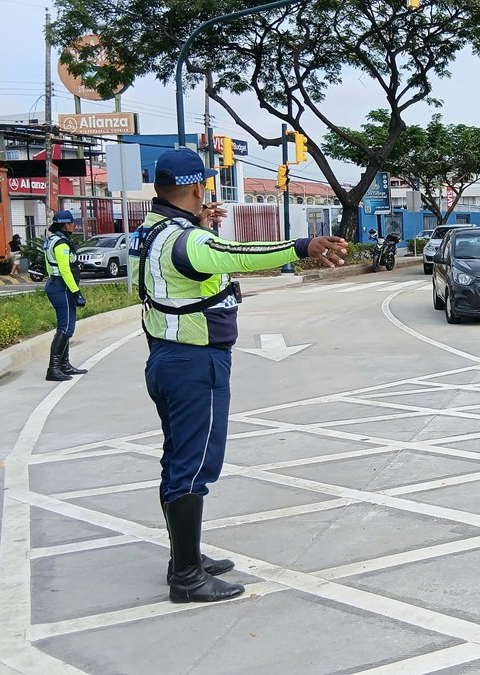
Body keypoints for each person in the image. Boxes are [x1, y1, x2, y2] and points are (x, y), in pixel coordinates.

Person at [133, 148, 346, 604]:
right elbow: (237, 255)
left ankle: (184, 557)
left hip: (166, 358)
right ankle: (187, 577)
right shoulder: (188, 241)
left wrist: (198, 223)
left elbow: (183, 267)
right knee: (194, 467)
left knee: (177, 461)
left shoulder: (149, 231)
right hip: (196, 362)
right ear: (196, 187)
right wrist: (303, 246)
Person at [43, 211, 87, 381]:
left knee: (65, 326)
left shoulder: (52, 240)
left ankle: (64, 365)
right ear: (66, 225)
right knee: (66, 327)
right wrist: (76, 292)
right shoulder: (61, 244)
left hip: (56, 284)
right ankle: (53, 368)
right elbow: (64, 270)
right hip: (61, 287)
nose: (73, 226)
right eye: (72, 223)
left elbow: (51, 266)